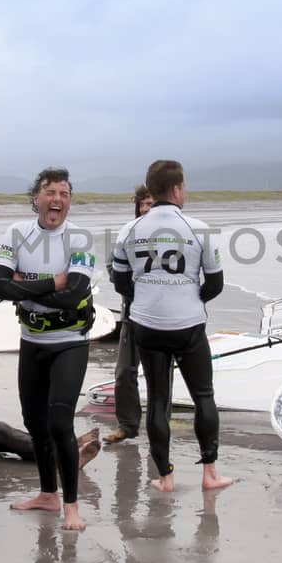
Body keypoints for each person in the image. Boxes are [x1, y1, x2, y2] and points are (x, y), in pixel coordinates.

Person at [111, 159, 233, 493]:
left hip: (146, 325)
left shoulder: (130, 230)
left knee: (158, 399)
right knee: (203, 395)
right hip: (188, 325)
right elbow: (215, 283)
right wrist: (189, 299)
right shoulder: (198, 228)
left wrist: (150, 296)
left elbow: (120, 281)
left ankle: (165, 477)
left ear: (151, 190)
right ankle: (210, 473)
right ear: (177, 189)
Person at [0, 168, 100, 531]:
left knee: (59, 422)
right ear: (36, 197)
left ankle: (71, 506)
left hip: (69, 341)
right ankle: (47, 494)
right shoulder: (16, 233)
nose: (57, 199)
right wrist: (54, 281)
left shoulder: (80, 239)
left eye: (64, 193)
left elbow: (74, 293)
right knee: (34, 423)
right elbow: (1, 288)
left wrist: (27, 282)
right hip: (31, 341)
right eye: (50, 192)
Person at [104, 183, 154, 446]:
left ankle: (159, 426)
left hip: (162, 319)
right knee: (124, 373)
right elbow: (112, 265)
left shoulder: (173, 233)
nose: (145, 209)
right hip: (132, 314)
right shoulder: (128, 233)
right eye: (141, 205)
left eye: (150, 204)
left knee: (159, 376)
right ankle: (127, 425)